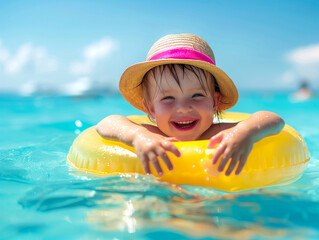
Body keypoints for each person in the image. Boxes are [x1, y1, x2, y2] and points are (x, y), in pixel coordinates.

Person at [96, 33, 284, 177]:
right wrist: (138, 136)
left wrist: (245, 132)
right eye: (168, 98)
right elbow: (106, 124)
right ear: (150, 109)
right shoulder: (151, 135)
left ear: (215, 102)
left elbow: (275, 120)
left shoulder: (220, 134)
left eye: (197, 95)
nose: (184, 108)